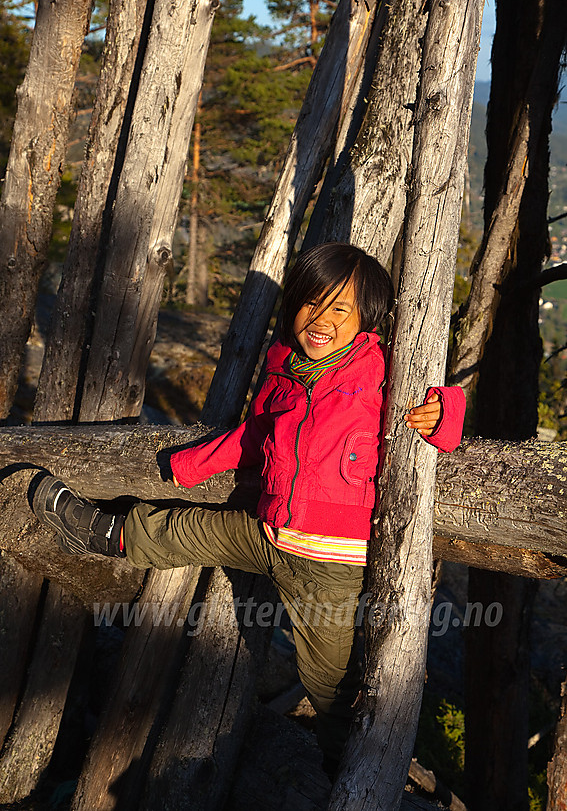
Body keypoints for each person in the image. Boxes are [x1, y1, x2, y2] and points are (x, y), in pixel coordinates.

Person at [31, 241, 466, 777]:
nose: (320, 320)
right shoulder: (284, 368)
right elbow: (253, 433)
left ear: (366, 319)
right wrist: (191, 467)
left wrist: (441, 412)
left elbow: (448, 408)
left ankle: (344, 763)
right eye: (310, 303)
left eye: (339, 309)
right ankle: (111, 535)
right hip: (268, 530)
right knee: (187, 529)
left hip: (333, 564)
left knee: (327, 675)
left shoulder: (381, 369)